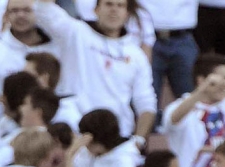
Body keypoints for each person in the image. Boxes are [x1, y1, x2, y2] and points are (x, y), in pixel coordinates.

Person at [34, 0, 157, 140]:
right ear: (96, 10)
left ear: (127, 14)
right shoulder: (75, 33)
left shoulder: (136, 55)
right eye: (108, 4)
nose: (114, 10)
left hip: (116, 137)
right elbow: (43, 9)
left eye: (120, 6)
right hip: (74, 132)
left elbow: (146, 102)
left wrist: (139, 141)